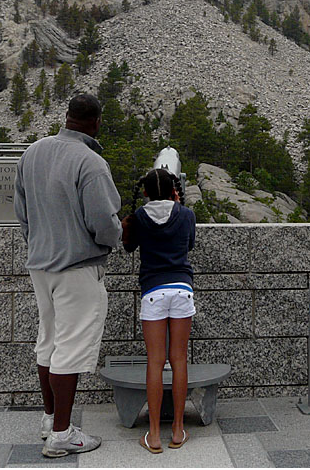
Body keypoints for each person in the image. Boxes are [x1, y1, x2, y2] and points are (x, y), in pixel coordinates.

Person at [14, 94, 122, 458]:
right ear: (96, 123)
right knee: (71, 349)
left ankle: (49, 419)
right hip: (77, 266)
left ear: (67, 117)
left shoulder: (33, 153)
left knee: (48, 342)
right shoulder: (90, 162)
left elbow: (22, 210)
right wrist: (114, 239)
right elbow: (103, 223)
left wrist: (40, 243)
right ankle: (62, 434)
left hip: (40, 264)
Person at [122, 168, 196, 453]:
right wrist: (179, 204)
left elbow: (130, 246)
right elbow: (189, 244)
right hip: (182, 288)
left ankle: (153, 435)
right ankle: (177, 430)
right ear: (173, 190)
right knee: (179, 360)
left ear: (145, 193)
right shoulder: (185, 214)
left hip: (153, 291)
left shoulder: (139, 216)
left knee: (155, 362)